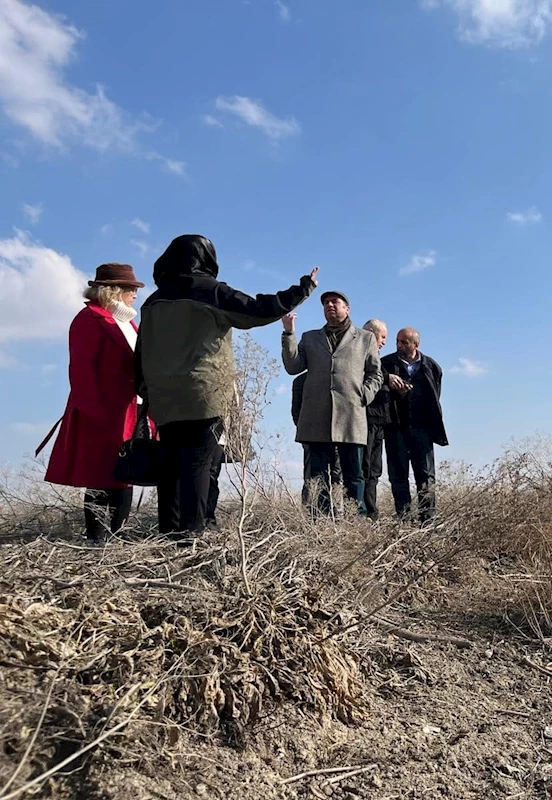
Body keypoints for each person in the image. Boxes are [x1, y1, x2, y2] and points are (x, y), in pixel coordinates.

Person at [135, 234, 318, 541]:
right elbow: (259, 309)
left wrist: (145, 390)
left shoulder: (153, 300)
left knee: (171, 464)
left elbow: (141, 349)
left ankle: (168, 533)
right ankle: (191, 535)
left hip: (164, 396)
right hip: (203, 394)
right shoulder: (209, 291)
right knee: (198, 463)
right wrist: (302, 289)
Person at [43, 263, 145, 543]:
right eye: (131, 289)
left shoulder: (128, 322)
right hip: (101, 409)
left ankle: (117, 538)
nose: (135, 294)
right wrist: (92, 410)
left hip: (129, 409)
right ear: (113, 290)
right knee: (101, 473)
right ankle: (97, 539)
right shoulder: (89, 318)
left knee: (126, 473)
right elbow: (81, 369)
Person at [282, 290, 383, 516]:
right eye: (326, 303)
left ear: (347, 308)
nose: (330, 305)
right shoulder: (310, 338)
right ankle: (320, 522)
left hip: (351, 415)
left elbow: (376, 375)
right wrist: (289, 333)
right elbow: (293, 367)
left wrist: (363, 395)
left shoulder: (365, 338)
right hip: (317, 416)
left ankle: (355, 521)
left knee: (354, 475)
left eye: (335, 302)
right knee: (317, 476)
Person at [381, 327, 448, 524]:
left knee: (426, 477)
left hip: (422, 430)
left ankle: (428, 522)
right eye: (397, 341)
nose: (399, 345)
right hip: (395, 428)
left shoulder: (432, 367)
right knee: (398, 476)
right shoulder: (386, 364)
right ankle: (405, 521)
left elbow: (435, 397)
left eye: (404, 342)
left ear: (415, 345)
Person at [291, 372, 342, 507]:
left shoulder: (334, 378)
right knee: (313, 477)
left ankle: (335, 511)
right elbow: (296, 413)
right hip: (311, 437)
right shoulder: (301, 381)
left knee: (335, 475)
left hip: (335, 435)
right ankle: (311, 511)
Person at [361, 319, 392, 521]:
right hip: (365, 421)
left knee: (374, 471)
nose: (384, 342)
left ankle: (371, 514)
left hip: (380, 422)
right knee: (363, 469)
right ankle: (362, 513)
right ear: (371, 334)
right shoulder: (359, 355)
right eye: (382, 337)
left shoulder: (380, 360)